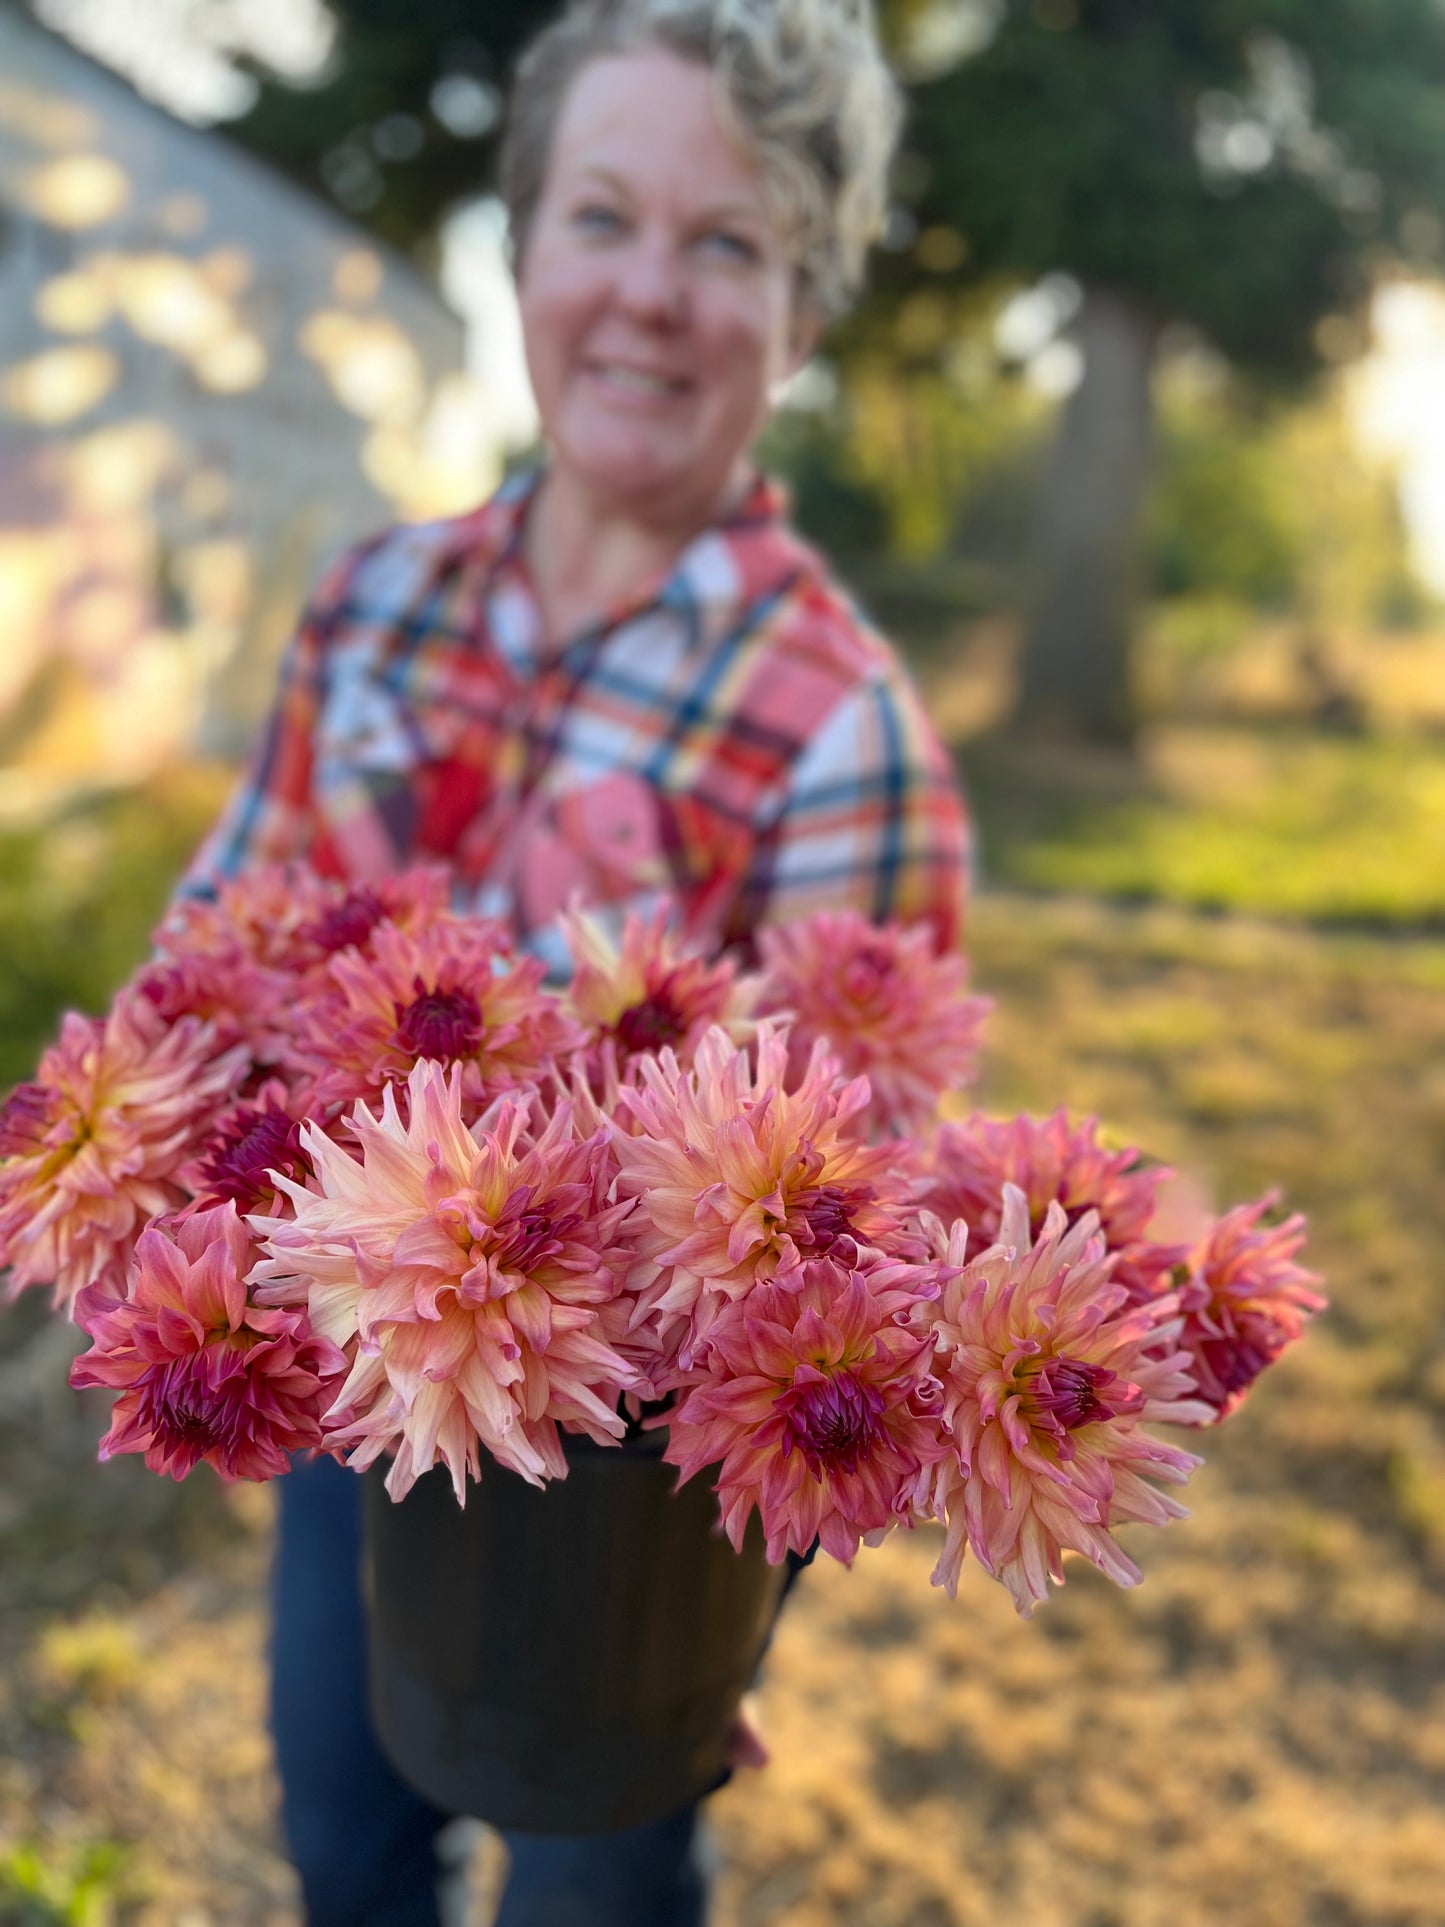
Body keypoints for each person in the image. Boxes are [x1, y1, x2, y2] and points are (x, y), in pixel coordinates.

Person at [183, 2, 970, 1920]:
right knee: (340, 1829)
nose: (649, 294)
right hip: (358, 1407)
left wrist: (740, 1584)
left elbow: (856, 1256)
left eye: (728, 243)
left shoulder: (842, 732)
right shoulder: (372, 606)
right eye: (601, 217)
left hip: (627, 1501)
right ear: (522, 244)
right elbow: (206, 965)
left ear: (801, 311)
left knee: (594, 1890)